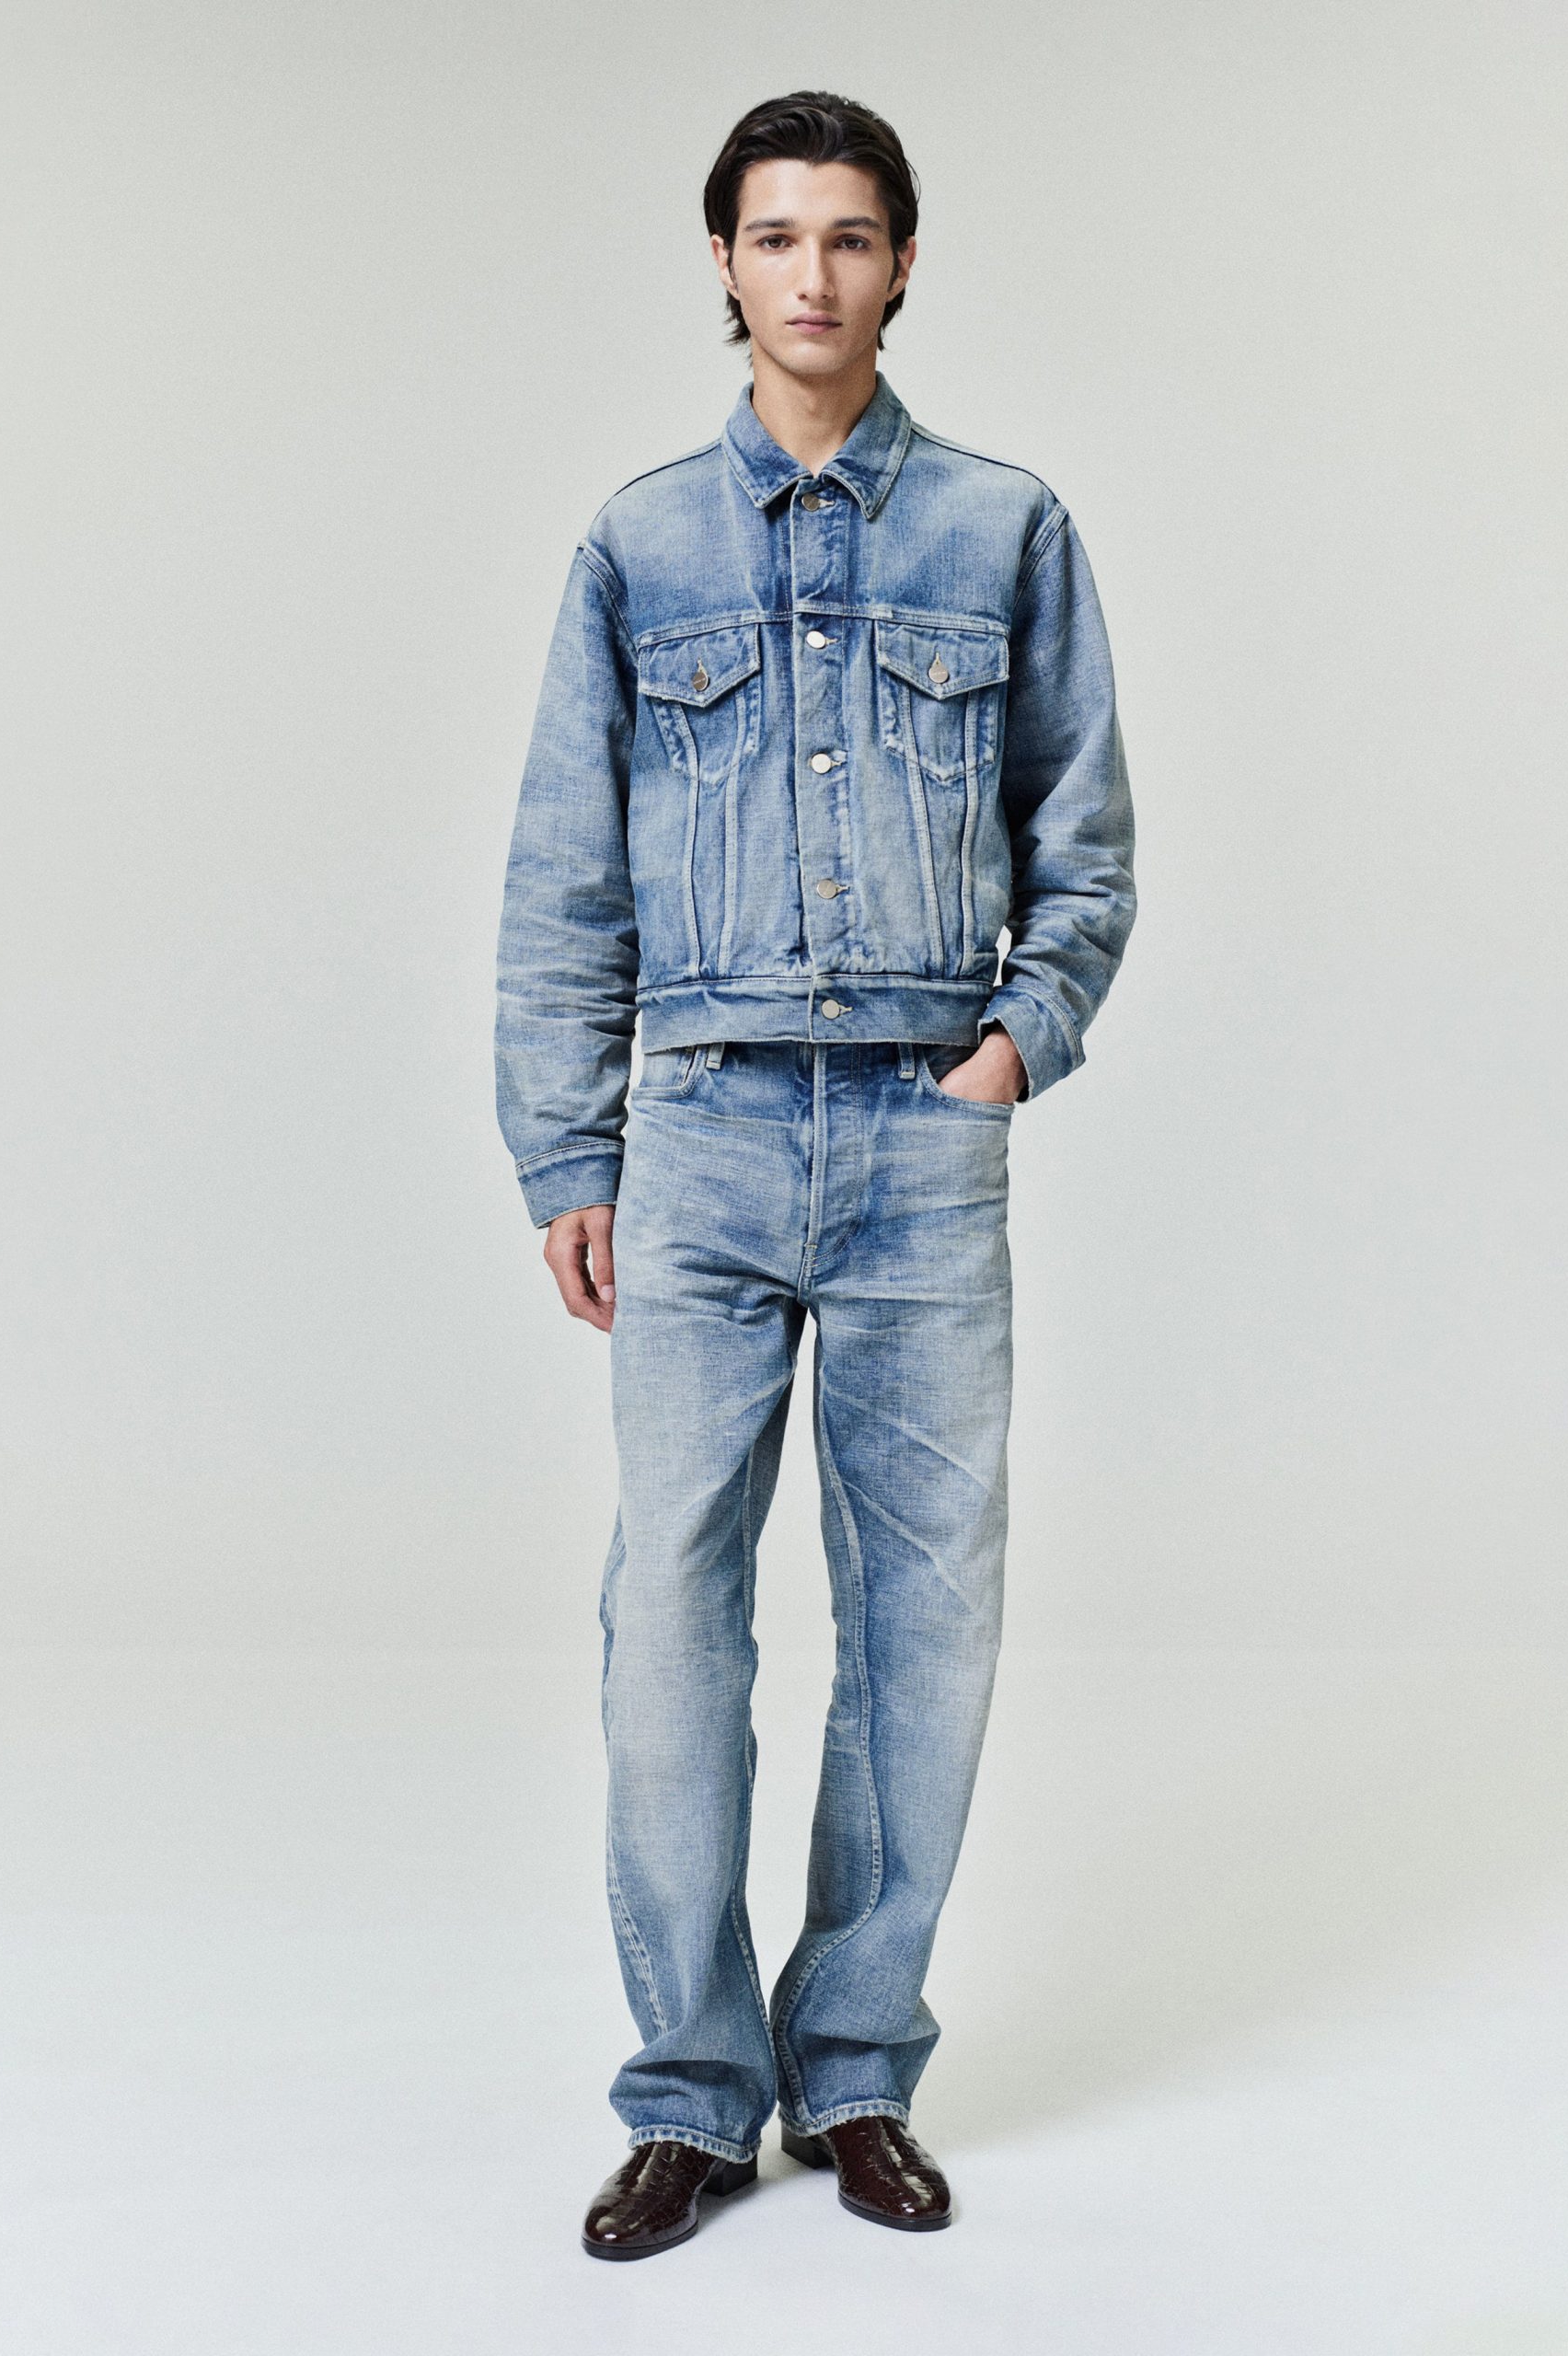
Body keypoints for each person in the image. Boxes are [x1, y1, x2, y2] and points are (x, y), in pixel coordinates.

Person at [493, 88, 1136, 2260]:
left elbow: (1084, 841)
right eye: (775, 237)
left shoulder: (1004, 527)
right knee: (669, 1617)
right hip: (695, 1133)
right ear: (723, 265)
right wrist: (564, 1147)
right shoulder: (638, 544)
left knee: (922, 1617)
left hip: (916, 1148)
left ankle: (853, 2064)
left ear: (901, 264)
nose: (813, 274)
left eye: (850, 237)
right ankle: (690, 2089)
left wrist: (1006, 1052)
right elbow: (563, 877)